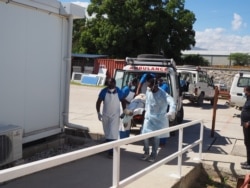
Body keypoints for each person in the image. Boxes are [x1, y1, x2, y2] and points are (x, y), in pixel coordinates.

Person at [141, 77, 176, 162]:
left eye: (150, 86)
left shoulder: (163, 94)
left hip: (159, 119)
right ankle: (146, 152)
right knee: (144, 136)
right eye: (148, 86)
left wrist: (171, 112)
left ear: (155, 85)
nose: (148, 88)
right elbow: (148, 102)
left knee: (156, 138)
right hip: (149, 117)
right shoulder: (148, 91)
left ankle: (153, 155)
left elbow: (172, 102)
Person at [96, 78, 125, 158]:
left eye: (111, 84)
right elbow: (98, 102)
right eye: (108, 84)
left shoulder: (119, 91)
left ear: (115, 84)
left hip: (115, 116)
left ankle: (112, 152)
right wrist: (98, 112)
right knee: (107, 132)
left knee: (113, 132)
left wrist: (124, 111)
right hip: (106, 115)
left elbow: (123, 101)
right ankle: (109, 148)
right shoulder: (104, 91)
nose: (110, 85)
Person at [240, 86, 250, 169]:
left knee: (249, 144)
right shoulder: (248, 99)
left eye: (245, 91)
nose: (244, 93)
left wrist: (248, 123)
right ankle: (248, 161)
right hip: (245, 125)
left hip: (248, 125)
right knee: (247, 143)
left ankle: (249, 163)